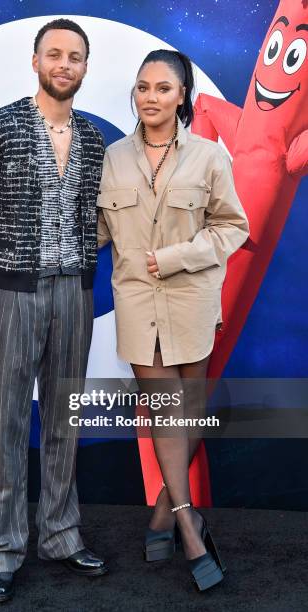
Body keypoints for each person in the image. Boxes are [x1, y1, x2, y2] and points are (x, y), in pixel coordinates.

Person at [0, 18, 108, 603]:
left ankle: (61, 536)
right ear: (36, 61)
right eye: (55, 55)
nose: (64, 65)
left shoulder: (92, 139)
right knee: (5, 425)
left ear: (85, 68)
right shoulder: (2, 127)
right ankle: (0, 550)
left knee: (65, 419)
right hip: (9, 296)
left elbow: (99, 219)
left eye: (75, 57)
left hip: (75, 295)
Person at [97, 49, 249, 592]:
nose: (150, 97)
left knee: (192, 410)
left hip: (193, 301)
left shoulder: (209, 156)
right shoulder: (111, 158)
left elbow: (233, 227)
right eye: (142, 87)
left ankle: (162, 509)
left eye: (162, 88)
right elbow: (94, 232)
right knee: (164, 412)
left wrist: (181, 255)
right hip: (138, 304)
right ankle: (189, 523)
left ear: (182, 95)